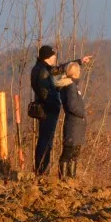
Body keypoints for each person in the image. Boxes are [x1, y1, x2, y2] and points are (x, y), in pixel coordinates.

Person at [30, 45, 92, 176]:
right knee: (45, 142)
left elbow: (62, 69)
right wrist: (55, 102)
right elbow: (45, 92)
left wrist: (79, 61)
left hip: (48, 110)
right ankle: (42, 172)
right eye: (53, 55)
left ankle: (42, 171)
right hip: (48, 111)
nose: (55, 58)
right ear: (48, 57)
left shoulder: (44, 69)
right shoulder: (43, 72)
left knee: (46, 141)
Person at [56, 62, 87, 179]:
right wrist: (82, 113)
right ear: (75, 73)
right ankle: (63, 179)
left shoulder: (71, 86)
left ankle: (71, 178)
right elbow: (72, 105)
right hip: (74, 124)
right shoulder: (70, 86)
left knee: (75, 153)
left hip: (77, 125)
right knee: (69, 151)